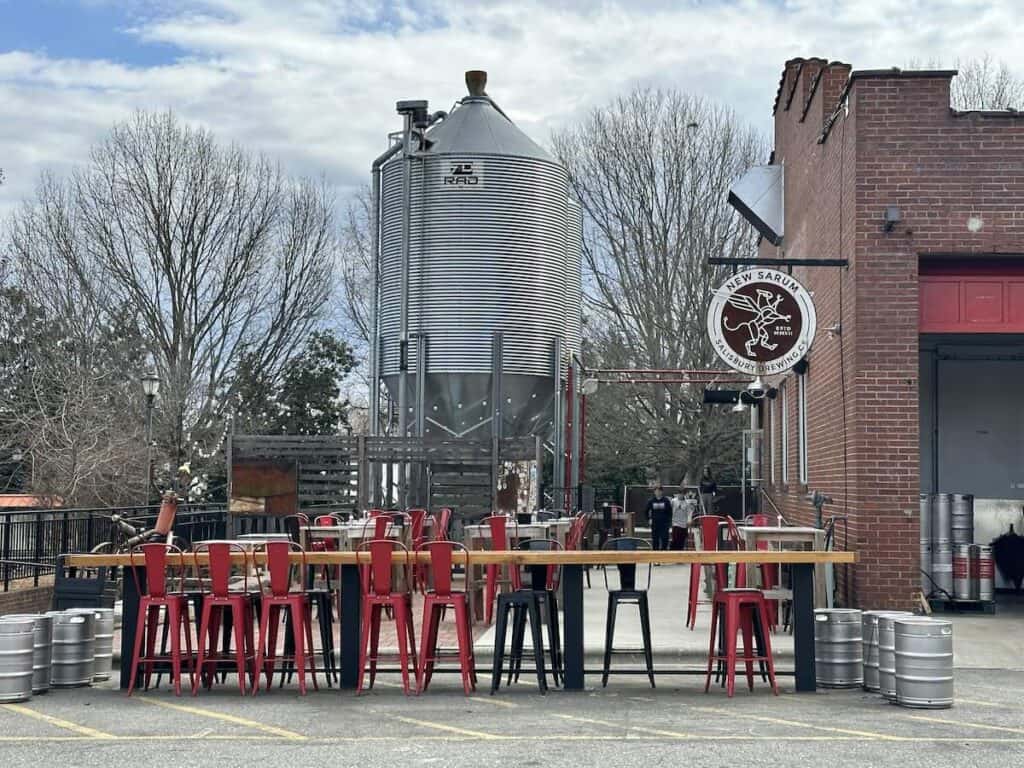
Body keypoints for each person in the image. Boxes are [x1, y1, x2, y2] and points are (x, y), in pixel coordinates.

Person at [646, 486, 673, 552]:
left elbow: (670, 511)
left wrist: (669, 521)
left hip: (664, 524)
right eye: (656, 491)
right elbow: (646, 511)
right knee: (655, 539)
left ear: (662, 492)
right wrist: (649, 519)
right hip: (655, 523)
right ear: (654, 492)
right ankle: (655, 553)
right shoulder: (651, 501)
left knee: (664, 538)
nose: (658, 492)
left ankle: (664, 552)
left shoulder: (666, 500)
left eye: (659, 491)